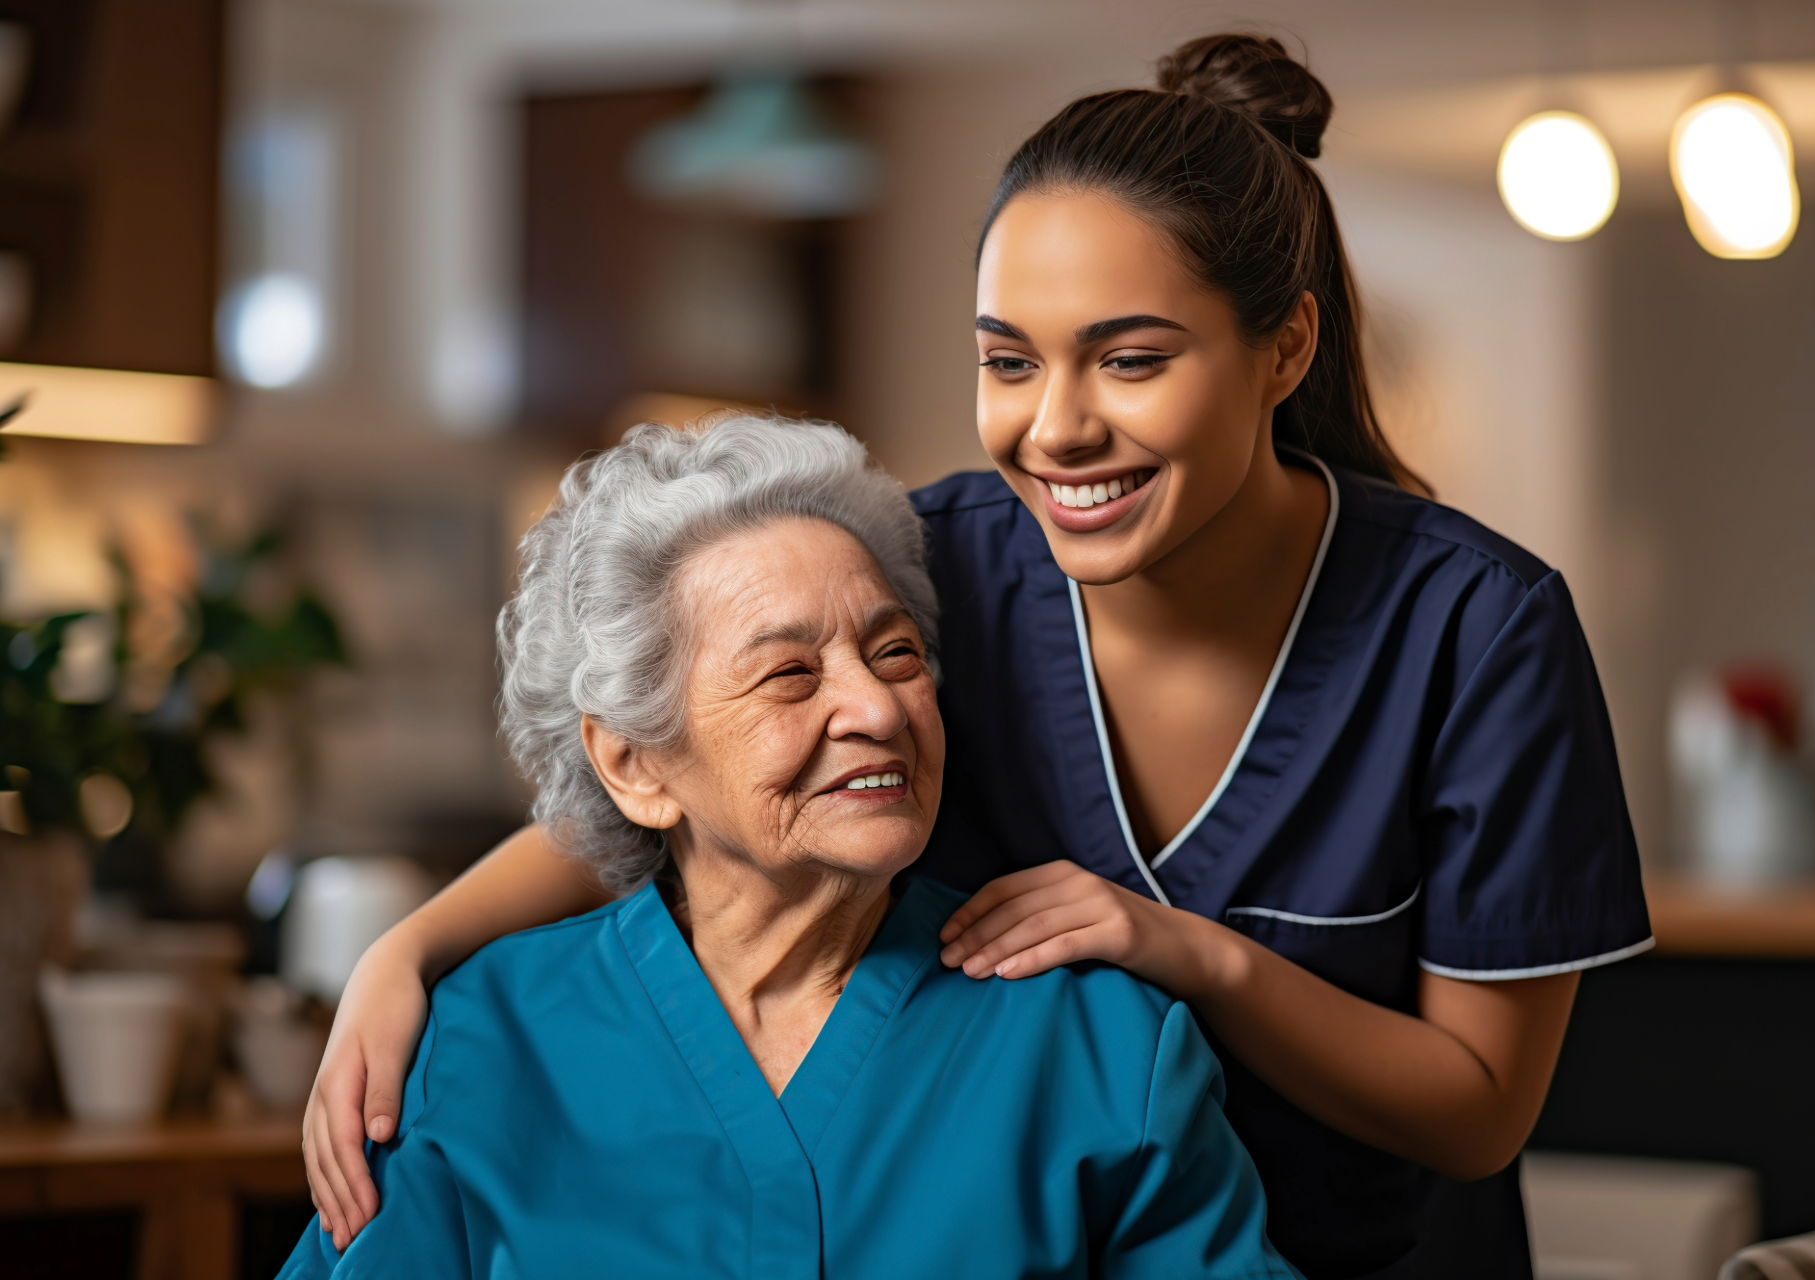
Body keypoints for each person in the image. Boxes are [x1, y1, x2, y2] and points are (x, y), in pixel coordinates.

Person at [303, 34, 1649, 1279]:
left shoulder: (1478, 629)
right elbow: (690, 761)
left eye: (1130, 360)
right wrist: (409, 951)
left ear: (1283, 344)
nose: (1055, 430)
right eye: (1010, 362)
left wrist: (1189, 952)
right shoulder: (930, 566)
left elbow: (1477, 1112)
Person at [279, 417, 1297, 1280]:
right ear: (635, 765)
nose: (877, 707)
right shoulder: (478, 1043)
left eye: (895, 651)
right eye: (791, 674)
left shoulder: (1098, 1041)